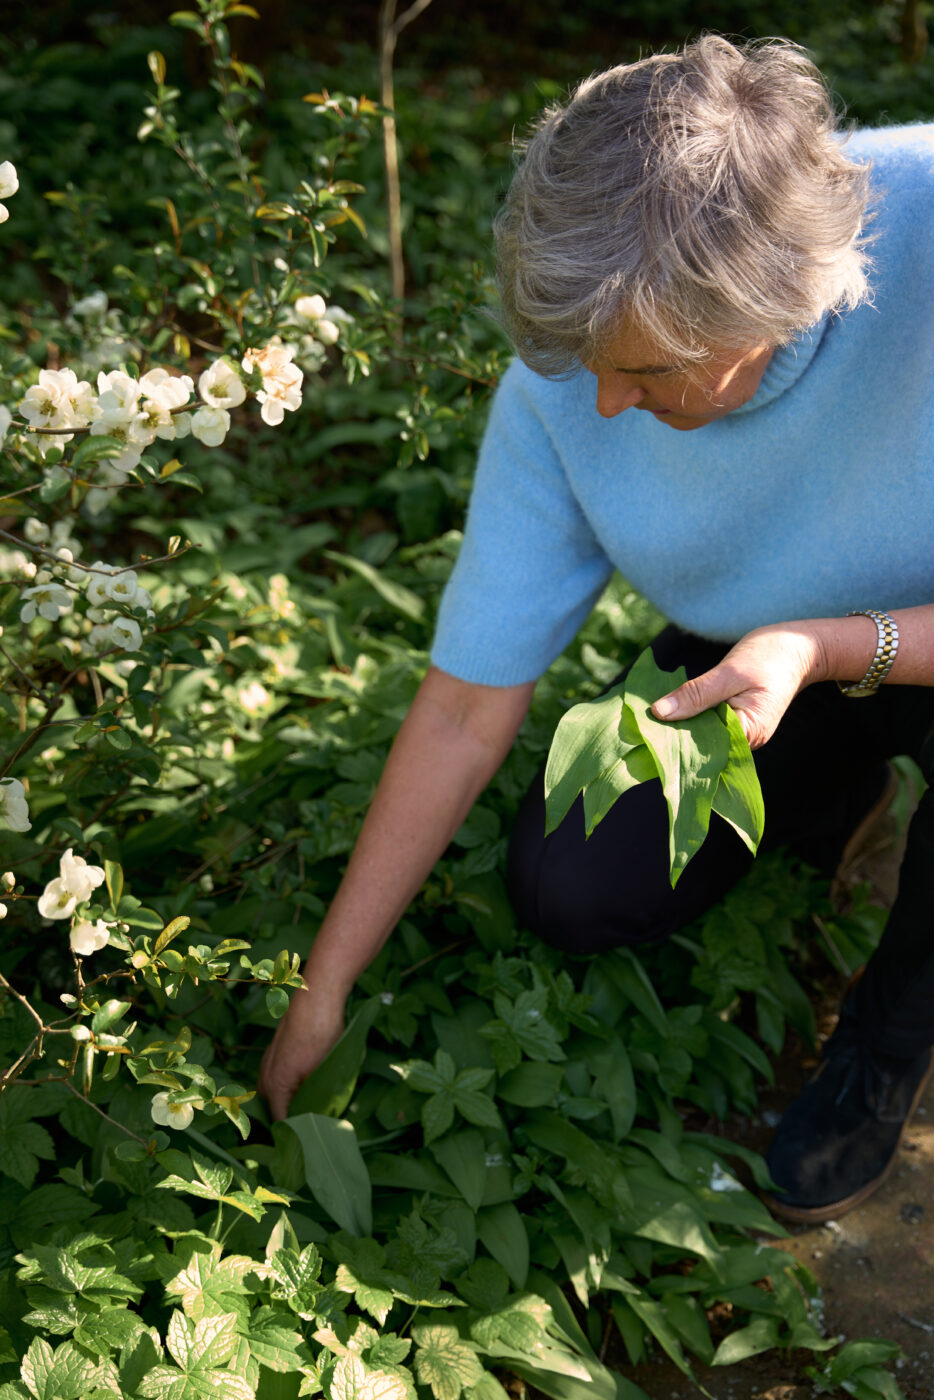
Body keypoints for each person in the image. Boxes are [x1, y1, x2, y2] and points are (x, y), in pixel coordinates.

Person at [259, 35, 934, 1223]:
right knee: (570, 881)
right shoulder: (577, 374)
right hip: (752, 654)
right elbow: (464, 706)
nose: (607, 402)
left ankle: (886, 1039)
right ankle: (839, 797)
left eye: (648, 371)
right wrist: (324, 984)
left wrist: (830, 645)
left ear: (763, 309)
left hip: (883, 635)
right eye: (588, 365)